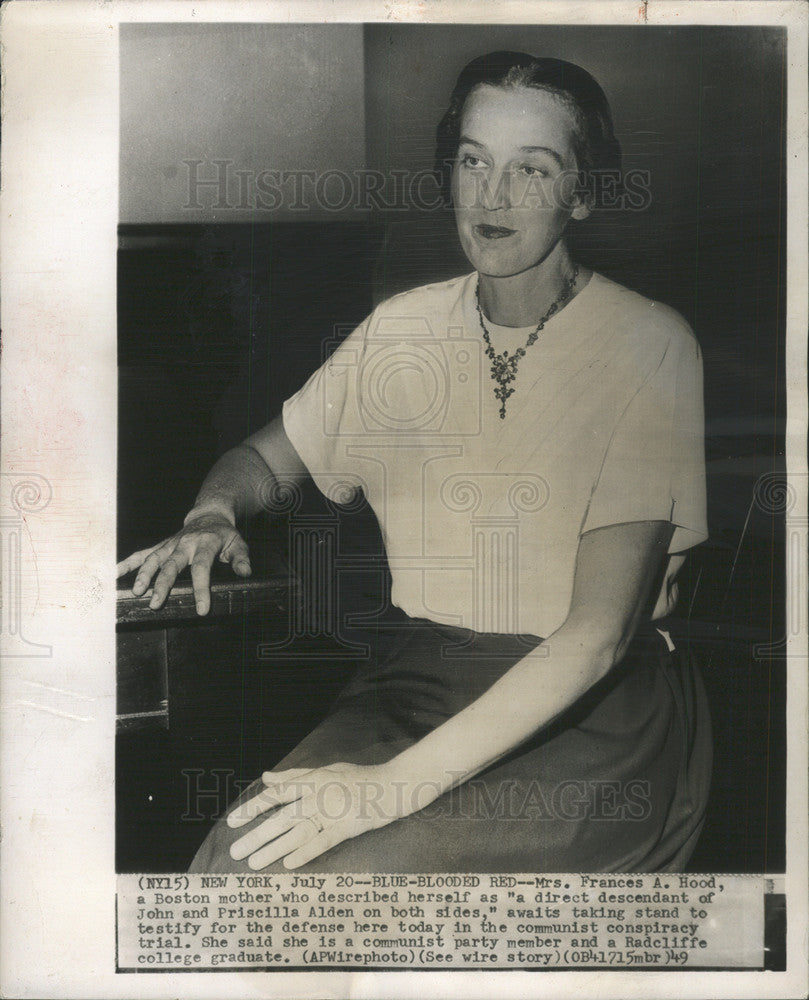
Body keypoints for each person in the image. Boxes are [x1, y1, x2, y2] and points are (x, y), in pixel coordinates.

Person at [117, 52, 711, 873]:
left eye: (530, 170)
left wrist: (382, 790)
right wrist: (210, 514)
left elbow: (597, 637)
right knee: (231, 869)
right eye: (473, 161)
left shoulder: (649, 344)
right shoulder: (400, 332)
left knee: (332, 885)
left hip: (595, 714)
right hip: (418, 678)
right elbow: (260, 460)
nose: (492, 196)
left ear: (583, 192)